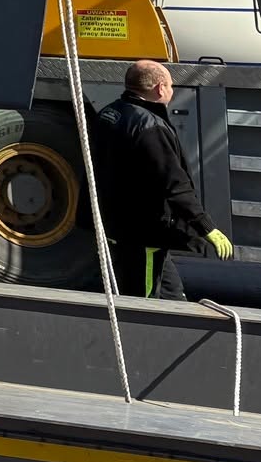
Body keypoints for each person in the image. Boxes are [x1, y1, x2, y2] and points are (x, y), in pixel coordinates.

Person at [94, 59, 234, 298]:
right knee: (144, 299)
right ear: (160, 88)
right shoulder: (150, 127)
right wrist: (206, 227)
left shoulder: (111, 112)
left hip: (120, 224)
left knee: (171, 293)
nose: (172, 90)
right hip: (143, 233)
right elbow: (174, 184)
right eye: (170, 85)